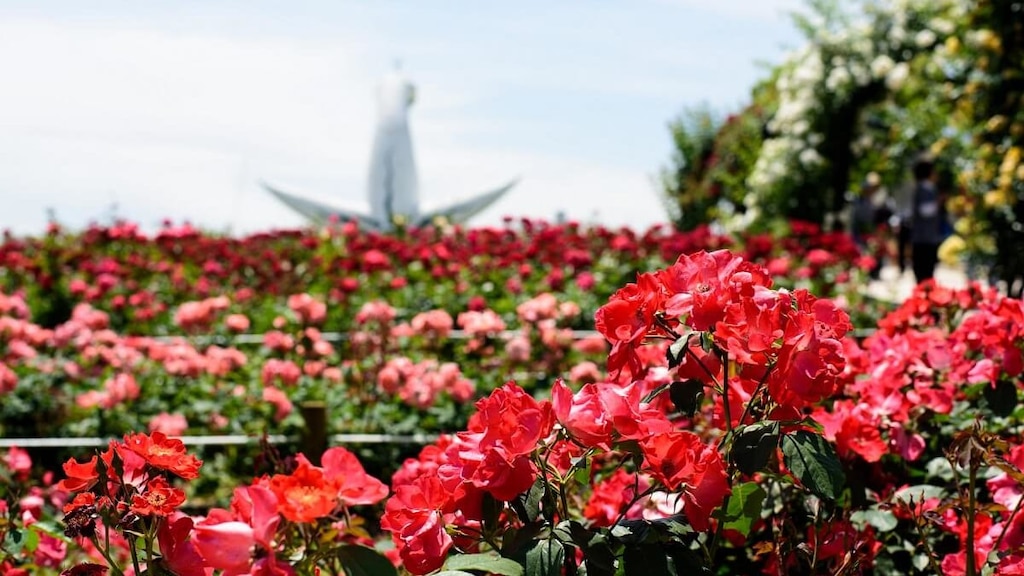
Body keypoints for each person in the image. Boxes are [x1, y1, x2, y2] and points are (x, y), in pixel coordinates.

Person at [910, 154, 942, 282]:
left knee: (923, 270)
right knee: (925, 271)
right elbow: (925, 211)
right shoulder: (925, 188)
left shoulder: (924, 187)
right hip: (925, 238)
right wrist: (938, 202)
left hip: (924, 238)